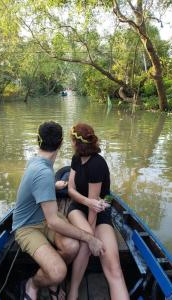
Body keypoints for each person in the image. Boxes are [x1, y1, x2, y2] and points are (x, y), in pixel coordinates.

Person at [12, 121, 105, 300]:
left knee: (71, 247)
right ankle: (32, 283)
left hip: (43, 218)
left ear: (38, 140)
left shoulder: (38, 162)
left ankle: (52, 283)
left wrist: (52, 186)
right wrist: (90, 238)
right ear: (61, 143)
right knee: (58, 272)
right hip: (27, 227)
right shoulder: (43, 172)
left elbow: (38, 186)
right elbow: (54, 221)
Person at [67, 123, 129, 300]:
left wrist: (93, 236)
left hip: (99, 212)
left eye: (71, 140)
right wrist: (92, 238)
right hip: (78, 208)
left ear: (75, 141)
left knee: (114, 268)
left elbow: (94, 209)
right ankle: (73, 290)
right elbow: (71, 190)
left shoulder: (97, 165)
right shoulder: (76, 158)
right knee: (87, 240)